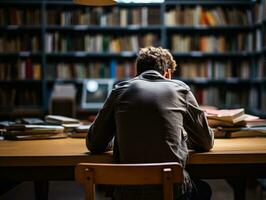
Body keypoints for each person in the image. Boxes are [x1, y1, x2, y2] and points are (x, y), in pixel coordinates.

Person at [86, 46, 214, 200]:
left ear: (137, 73)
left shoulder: (119, 90)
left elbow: (94, 143)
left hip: (127, 193)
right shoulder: (180, 90)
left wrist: (119, 139)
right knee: (204, 189)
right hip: (172, 192)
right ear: (167, 73)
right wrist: (181, 137)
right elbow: (206, 142)